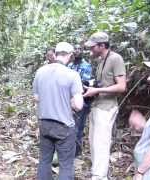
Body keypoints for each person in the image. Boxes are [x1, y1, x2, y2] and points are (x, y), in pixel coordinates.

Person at [33, 42, 84, 180]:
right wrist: (69, 101)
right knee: (66, 165)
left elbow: (36, 98)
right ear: (70, 56)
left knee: (44, 161)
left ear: (55, 54)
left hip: (44, 123)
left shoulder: (40, 72)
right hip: (64, 126)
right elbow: (78, 105)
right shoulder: (72, 75)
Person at [83, 32, 126, 180]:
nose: (91, 50)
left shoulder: (116, 59)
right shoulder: (100, 61)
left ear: (102, 46)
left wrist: (98, 90)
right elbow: (104, 83)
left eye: (93, 47)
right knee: (93, 142)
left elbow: (121, 87)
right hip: (97, 106)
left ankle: (99, 176)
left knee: (101, 143)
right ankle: (97, 173)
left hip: (106, 108)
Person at [68, 44, 92, 157]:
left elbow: (85, 84)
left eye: (79, 49)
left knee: (79, 127)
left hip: (82, 100)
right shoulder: (70, 65)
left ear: (82, 51)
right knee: (70, 126)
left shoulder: (86, 66)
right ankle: (70, 149)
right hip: (70, 101)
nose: (77, 51)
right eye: (75, 49)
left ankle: (77, 152)